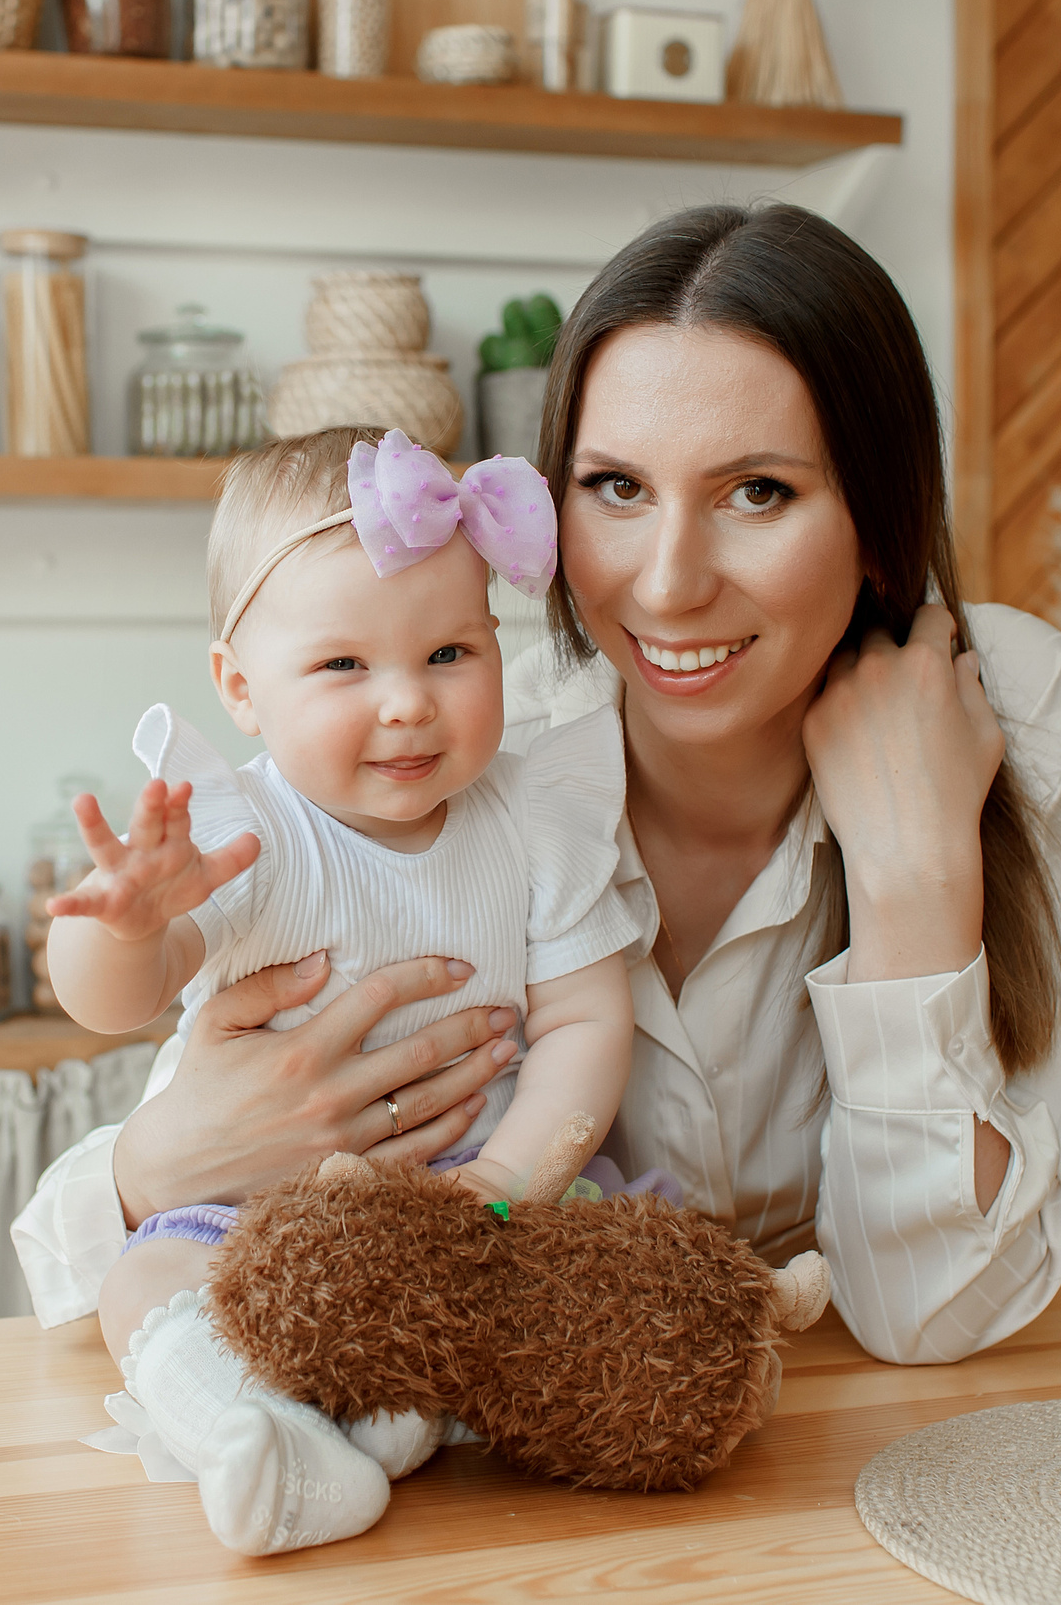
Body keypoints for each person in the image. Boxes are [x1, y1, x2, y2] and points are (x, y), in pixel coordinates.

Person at [15, 200, 1061, 1530]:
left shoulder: (998, 704)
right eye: (616, 489)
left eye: (758, 490)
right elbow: (91, 1217)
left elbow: (929, 1312)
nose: (667, 581)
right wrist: (158, 1163)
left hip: (820, 1477)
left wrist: (918, 875)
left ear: (879, 520)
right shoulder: (476, 743)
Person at [33, 424, 644, 1555]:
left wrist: (508, 1182)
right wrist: (122, 926)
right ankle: (245, 1432)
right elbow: (119, 998)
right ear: (240, 687)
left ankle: (390, 1416)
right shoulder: (239, 829)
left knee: (587, 1269)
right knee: (149, 1274)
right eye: (344, 666)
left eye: (451, 655)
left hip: (477, 1201)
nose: (407, 703)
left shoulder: (534, 820)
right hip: (256, 1208)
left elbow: (588, 1019)